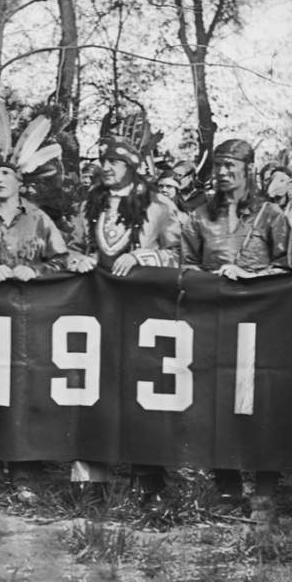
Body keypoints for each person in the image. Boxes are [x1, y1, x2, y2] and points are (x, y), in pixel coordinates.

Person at [180, 138, 290, 522]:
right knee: (216, 402)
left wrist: (251, 276)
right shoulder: (199, 216)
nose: (224, 173)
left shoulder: (271, 214)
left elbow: (287, 268)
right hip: (215, 321)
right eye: (219, 167)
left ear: (248, 170)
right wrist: (209, 280)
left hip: (262, 323)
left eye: (232, 166)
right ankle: (226, 485)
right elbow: (187, 264)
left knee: (262, 403)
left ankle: (264, 489)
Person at [0, 101, 68, 505]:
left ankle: (27, 472)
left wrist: (36, 272)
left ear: (20, 179)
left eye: (7, 173)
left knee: (29, 392)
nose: (0, 180)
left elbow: (61, 260)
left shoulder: (40, 220)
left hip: (31, 321)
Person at [68, 133, 181, 502]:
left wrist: (141, 257)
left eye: (114, 162)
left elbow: (180, 255)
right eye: (103, 160)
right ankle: (90, 479)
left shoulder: (158, 206)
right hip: (96, 307)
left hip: (143, 311)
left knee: (141, 388)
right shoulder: (90, 204)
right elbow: (70, 248)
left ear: (131, 166)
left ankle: (147, 478)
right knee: (91, 387)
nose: (106, 167)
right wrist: (77, 258)